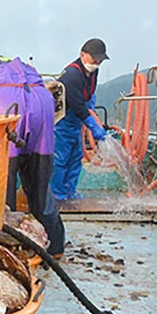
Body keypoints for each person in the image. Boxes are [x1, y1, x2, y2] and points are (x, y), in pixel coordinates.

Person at [0, 51, 66, 257]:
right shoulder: (21, 64)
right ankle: (55, 247)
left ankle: (9, 252)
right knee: (40, 183)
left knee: (2, 186)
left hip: (3, 105)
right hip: (42, 103)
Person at [50, 38, 109, 200]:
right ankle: (57, 194)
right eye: (94, 58)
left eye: (100, 60)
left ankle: (70, 191)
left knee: (76, 157)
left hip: (76, 122)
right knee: (61, 158)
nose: (96, 62)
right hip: (63, 120)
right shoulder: (72, 75)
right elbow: (77, 106)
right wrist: (93, 126)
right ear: (83, 54)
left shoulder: (93, 70)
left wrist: (91, 100)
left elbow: (89, 92)